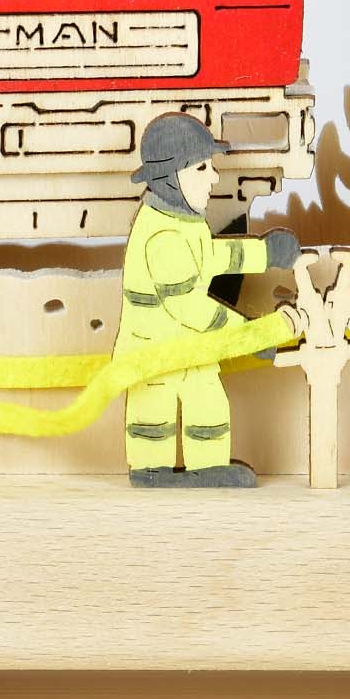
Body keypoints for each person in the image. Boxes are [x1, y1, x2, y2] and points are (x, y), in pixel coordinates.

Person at [117, 113, 302, 487]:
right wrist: (249, 336)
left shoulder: (183, 223)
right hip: (154, 353)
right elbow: (189, 307)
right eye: (202, 168)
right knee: (153, 414)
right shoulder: (163, 237)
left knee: (208, 404)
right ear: (170, 177)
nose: (214, 178)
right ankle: (151, 471)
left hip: (187, 349)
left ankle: (209, 466)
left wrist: (265, 254)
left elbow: (213, 257)